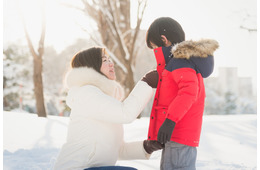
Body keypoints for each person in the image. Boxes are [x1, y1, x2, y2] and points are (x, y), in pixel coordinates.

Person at [53, 47, 163, 170]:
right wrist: (146, 82)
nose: (111, 63)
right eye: (105, 60)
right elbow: (125, 114)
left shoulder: (102, 98)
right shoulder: (87, 93)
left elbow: (119, 150)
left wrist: (147, 147)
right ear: (92, 66)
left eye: (110, 59)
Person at [145, 17, 219, 170]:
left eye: (154, 47)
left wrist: (170, 121)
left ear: (163, 40)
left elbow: (189, 93)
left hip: (178, 134)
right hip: (176, 135)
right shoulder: (181, 62)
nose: (154, 52)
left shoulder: (180, 61)